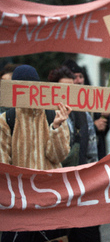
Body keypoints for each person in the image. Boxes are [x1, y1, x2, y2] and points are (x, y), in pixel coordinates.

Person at [0, 65, 71, 242]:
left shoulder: (53, 115)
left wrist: (57, 126)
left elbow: (59, 156)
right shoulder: (5, 120)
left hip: (50, 203)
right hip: (19, 206)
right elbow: (3, 167)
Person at [48, 66, 100, 242]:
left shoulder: (83, 115)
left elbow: (92, 152)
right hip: (55, 193)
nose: (67, 93)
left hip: (81, 190)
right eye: (63, 88)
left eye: (71, 88)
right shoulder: (44, 115)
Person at [63, 59, 110, 160]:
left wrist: (105, 117)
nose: (79, 81)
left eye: (81, 76)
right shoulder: (64, 104)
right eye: (75, 77)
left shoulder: (94, 100)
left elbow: (104, 131)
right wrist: (94, 127)